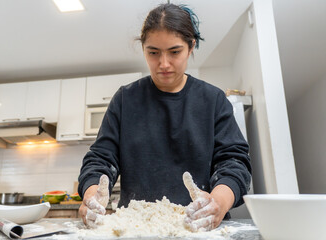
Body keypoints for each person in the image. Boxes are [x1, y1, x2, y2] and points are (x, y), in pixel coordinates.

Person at [78, 3, 252, 232]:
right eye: (153, 52)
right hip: (136, 228)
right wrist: (92, 195)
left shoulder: (213, 100)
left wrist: (217, 203)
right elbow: (100, 159)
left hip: (199, 229)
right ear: (143, 50)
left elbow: (234, 163)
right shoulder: (125, 100)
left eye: (174, 51)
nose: (164, 64)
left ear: (191, 47)